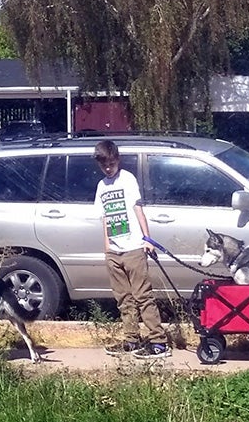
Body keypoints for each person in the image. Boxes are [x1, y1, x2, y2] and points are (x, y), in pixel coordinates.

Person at [93, 140, 171, 359]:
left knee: (142, 296)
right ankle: (131, 339)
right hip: (114, 251)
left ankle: (158, 342)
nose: (108, 168)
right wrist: (107, 247)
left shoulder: (127, 179)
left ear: (117, 159)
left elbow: (138, 209)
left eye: (111, 163)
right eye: (104, 165)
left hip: (134, 247)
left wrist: (147, 238)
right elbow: (105, 218)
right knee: (123, 298)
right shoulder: (101, 186)